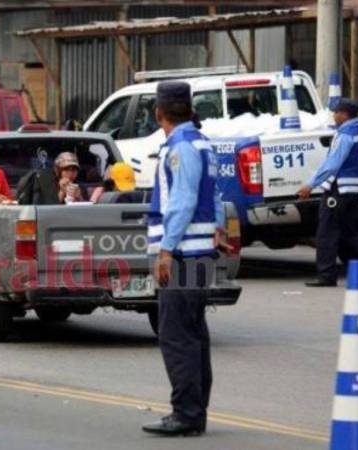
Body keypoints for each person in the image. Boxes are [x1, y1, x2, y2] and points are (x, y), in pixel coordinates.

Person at [142, 81, 224, 437]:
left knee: (175, 335)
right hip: (200, 251)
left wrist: (165, 250)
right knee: (193, 333)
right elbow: (215, 194)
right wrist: (218, 227)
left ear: (159, 113)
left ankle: (186, 413)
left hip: (183, 254)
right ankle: (195, 410)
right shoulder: (202, 143)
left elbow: (182, 201)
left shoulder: (180, 147)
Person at [297, 98, 358, 287]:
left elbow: (332, 164)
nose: (334, 116)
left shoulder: (345, 134)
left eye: (336, 112)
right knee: (348, 232)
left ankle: (326, 275)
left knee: (326, 233)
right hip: (353, 190)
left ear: (344, 114)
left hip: (340, 190)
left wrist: (310, 185)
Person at [16, 152, 83, 205]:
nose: (70, 174)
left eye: (74, 170)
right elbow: (50, 208)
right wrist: (62, 192)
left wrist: (79, 197)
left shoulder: (78, 185)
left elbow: (86, 209)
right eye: (66, 170)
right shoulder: (47, 184)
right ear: (58, 171)